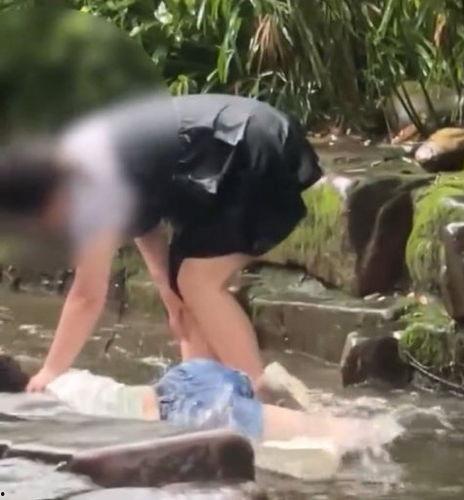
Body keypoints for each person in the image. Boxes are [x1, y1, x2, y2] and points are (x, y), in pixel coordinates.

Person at [0, 93, 322, 394]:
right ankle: (202, 394)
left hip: (250, 147)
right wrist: (167, 292)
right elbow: (144, 223)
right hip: (235, 150)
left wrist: (50, 372)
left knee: (197, 282)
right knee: (183, 291)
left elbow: (87, 296)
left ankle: (259, 392)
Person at [0, 354, 401, 448]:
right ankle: (264, 383)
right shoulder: (57, 378)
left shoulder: (43, 418)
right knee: (259, 410)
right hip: (188, 377)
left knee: (354, 436)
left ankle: (400, 435)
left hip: (188, 413)